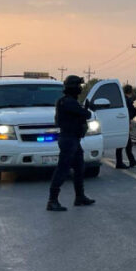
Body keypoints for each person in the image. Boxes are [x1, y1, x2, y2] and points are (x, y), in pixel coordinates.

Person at [47, 75, 95, 211]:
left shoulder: (68, 101)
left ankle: (80, 197)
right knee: (62, 170)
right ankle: (52, 200)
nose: (80, 89)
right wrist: (87, 109)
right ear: (73, 87)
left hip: (73, 139)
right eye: (78, 86)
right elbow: (87, 115)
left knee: (79, 168)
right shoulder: (68, 102)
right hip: (69, 140)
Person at [115, 84, 136, 169]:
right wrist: (135, 111)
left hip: (122, 123)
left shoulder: (123, 99)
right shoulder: (127, 100)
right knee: (122, 144)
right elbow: (129, 113)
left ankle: (131, 161)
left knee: (128, 144)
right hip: (124, 123)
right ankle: (119, 163)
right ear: (130, 91)